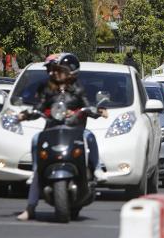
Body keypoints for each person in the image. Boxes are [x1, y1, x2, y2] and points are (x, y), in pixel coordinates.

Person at [16, 53, 107, 221]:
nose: (56, 73)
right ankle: (30, 206)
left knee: (90, 136)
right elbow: (39, 106)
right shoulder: (49, 89)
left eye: (61, 70)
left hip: (75, 131)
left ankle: (96, 168)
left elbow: (87, 106)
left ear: (71, 73)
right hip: (52, 130)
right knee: (36, 139)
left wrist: (97, 111)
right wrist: (26, 114)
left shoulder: (78, 89)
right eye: (56, 70)